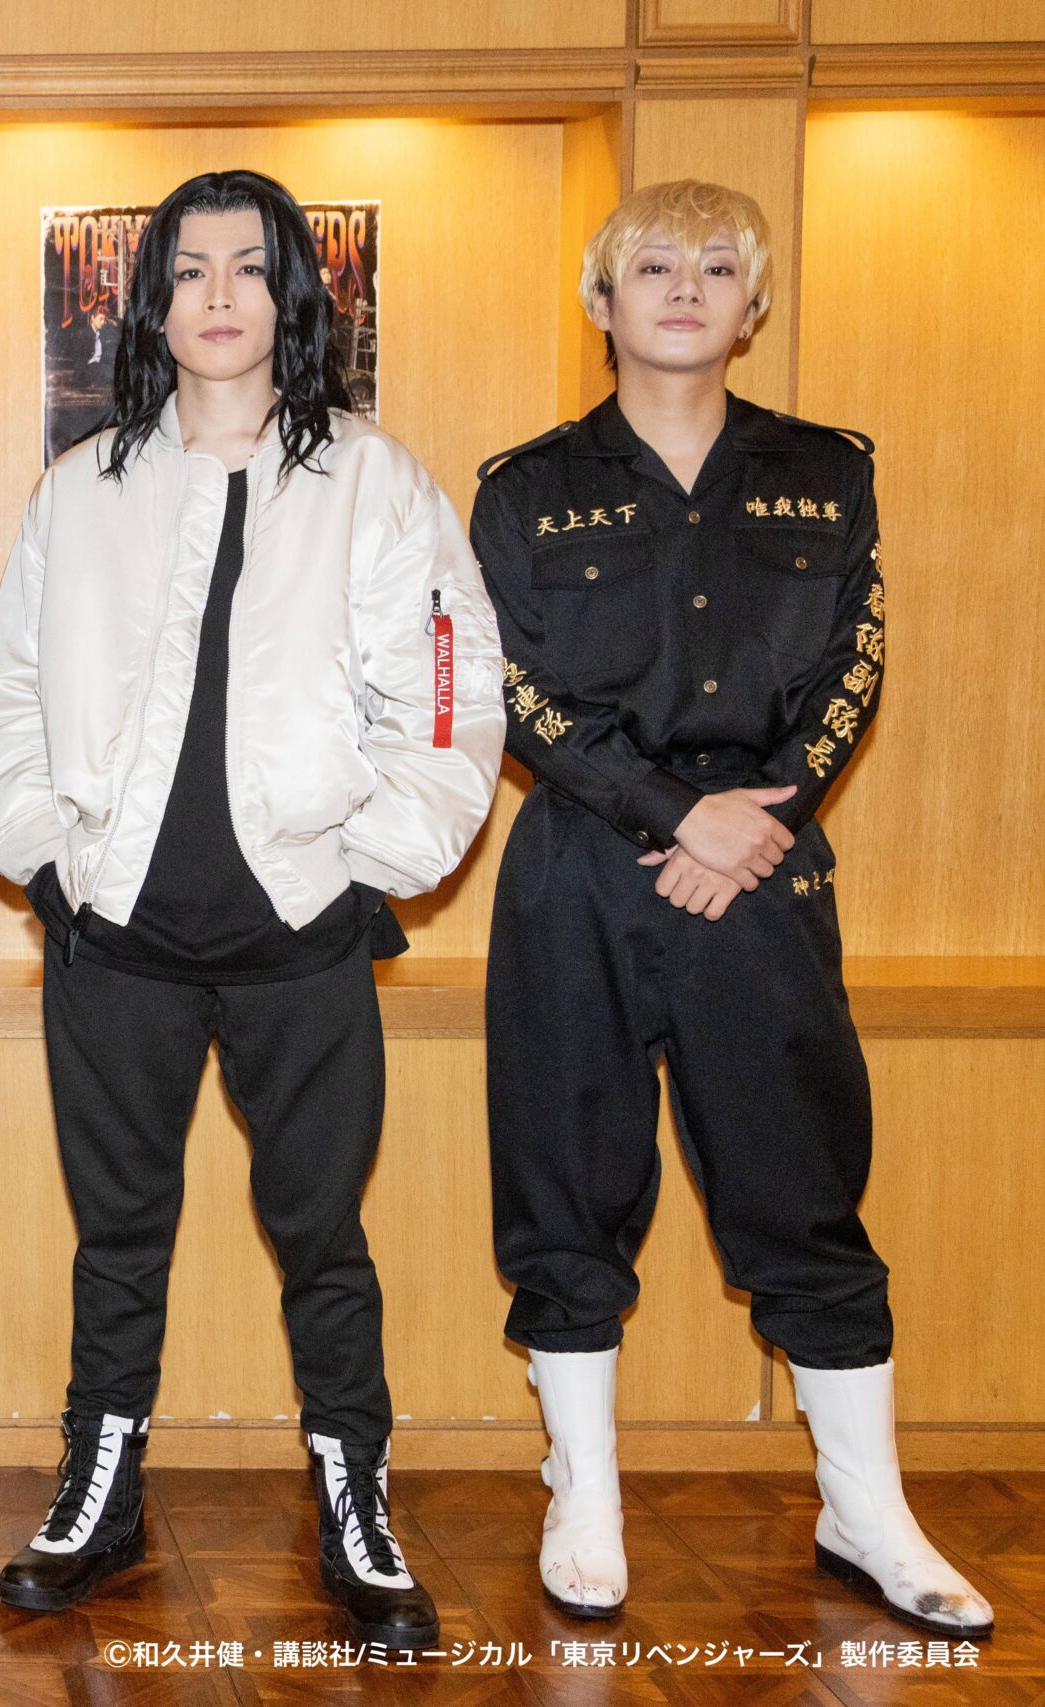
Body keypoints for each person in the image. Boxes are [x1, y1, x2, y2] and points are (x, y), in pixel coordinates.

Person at [0, 169, 504, 1644]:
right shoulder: (81, 489)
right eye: (190, 269)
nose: (218, 294)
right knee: (117, 1237)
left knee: (322, 1236)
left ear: (292, 296)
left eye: (249, 268)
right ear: (151, 301)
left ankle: (356, 1506)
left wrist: (366, 870)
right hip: (114, 940)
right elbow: (6, 698)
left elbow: (451, 693)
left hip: (302, 941)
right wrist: (50, 862)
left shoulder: (375, 484)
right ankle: (99, 1494)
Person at [473, 179, 991, 1642]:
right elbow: (511, 683)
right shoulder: (525, 488)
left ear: (753, 307)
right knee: (567, 1185)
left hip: (763, 869)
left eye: (716, 267)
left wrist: (755, 823)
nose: (685, 288)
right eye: (653, 266)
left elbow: (853, 668)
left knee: (801, 1188)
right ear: (602, 301)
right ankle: (584, 1498)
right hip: (582, 870)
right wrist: (666, 814)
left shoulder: (827, 473)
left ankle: (866, 1508)